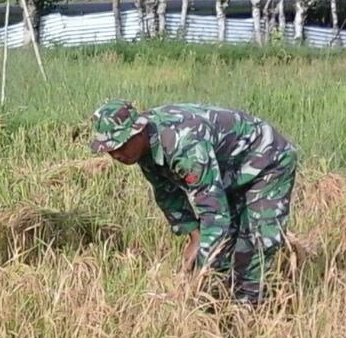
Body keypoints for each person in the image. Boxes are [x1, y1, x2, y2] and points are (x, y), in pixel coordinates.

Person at [89, 100, 299, 304]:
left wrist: (198, 274)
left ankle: (249, 308)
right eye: (109, 149)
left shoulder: (184, 146)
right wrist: (195, 236)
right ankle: (220, 301)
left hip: (268, 161)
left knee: (256, 240)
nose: (116, 154)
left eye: (121, 145)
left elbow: (215, 217)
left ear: (139, 131)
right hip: (228, 169)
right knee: (225, 245)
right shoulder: (143, 149)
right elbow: (167, 193)